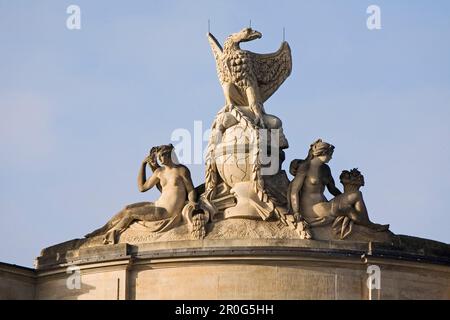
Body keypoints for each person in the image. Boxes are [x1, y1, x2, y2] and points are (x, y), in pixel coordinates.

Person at [85, 144, 197, 244]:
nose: (159, 159)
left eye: (162, 155)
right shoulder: (159, 172)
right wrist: (143, 165)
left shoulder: (181, 170)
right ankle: (102, 230)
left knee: (130, 213)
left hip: (166, 211)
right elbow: (142, 187)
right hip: (157, 205)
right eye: (158, 156)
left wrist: (192, 203)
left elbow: (191, 189)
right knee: (126, 208)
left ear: (169, 155)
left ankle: (110, 235)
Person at [288, 139, 389, 232]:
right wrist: (296, 212)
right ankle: (369, 226)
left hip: (325, 205)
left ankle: (366, 223)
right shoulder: (305, 167)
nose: (331, 157)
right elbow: (294, 191)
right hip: (312, 209)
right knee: (346, 209)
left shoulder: (325, 169)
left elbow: (332, 189)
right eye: (330, 155)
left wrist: (345, 198)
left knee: (356, 194)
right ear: (322, 153)